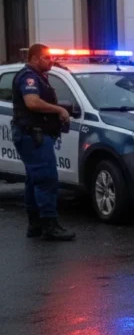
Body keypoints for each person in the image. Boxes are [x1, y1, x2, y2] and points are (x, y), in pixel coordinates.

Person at [11, 44, 75, 241]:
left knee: (35, 180)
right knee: (46, 179)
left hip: (34, 135)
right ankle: (49, 225)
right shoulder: (28, 77)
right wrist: (59, 110)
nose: (51, 61)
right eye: (46, 57)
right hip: (33, 135)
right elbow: (32, 102)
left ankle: (36, 225)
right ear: (34, 58)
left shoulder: (39, 76)